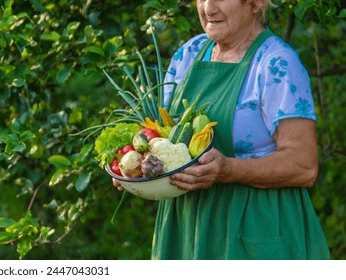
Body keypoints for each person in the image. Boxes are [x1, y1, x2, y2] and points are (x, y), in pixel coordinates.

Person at [113, 0, 330, 259]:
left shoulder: (277, 63)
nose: (208, 8)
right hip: (187, 226)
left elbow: (304, 166)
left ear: (254, 3)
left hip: (255, 225)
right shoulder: (189, 54)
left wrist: (228, 170)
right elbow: (162, 136)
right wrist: (135, 168)